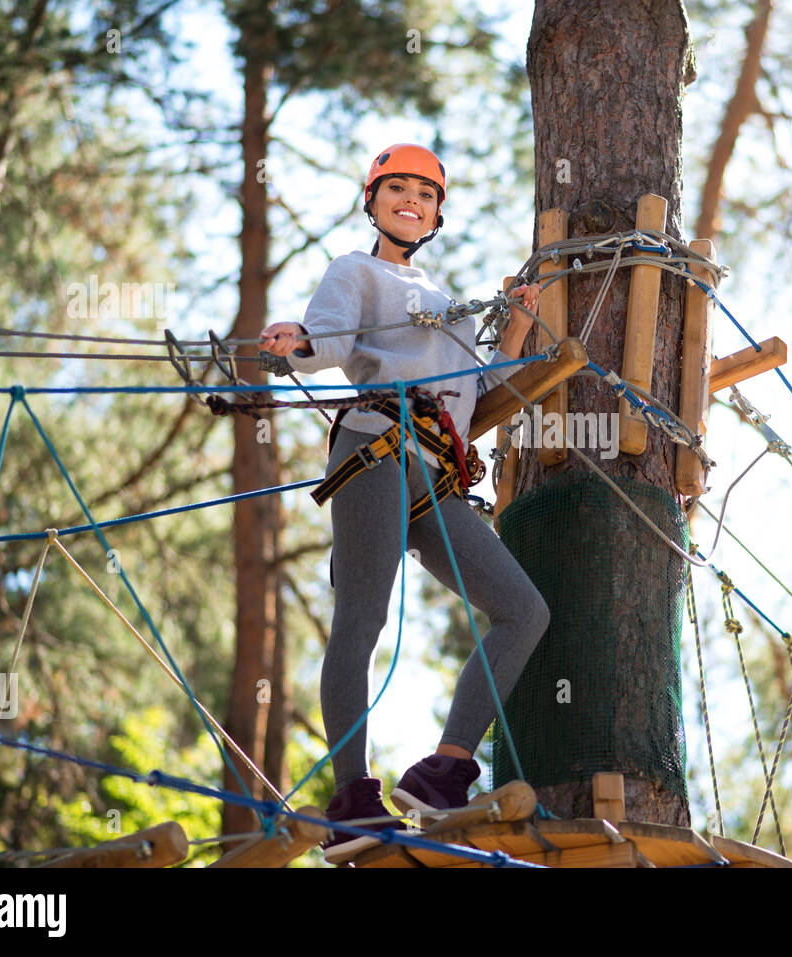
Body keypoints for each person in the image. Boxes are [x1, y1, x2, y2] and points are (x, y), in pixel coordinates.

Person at [259, 144, 550, 863]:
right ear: (373, 202)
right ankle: (353, 797)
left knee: (525, 610)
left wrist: (512, 325)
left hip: (438, 475)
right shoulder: (354, 271)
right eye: (397, 189)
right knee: (362, 615)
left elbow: (475, 391)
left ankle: (444, 768)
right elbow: (325, 339)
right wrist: (296, 342)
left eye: (425, 192)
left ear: (439, 212)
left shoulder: (450, 306)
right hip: (376, 447)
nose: (411, 200)